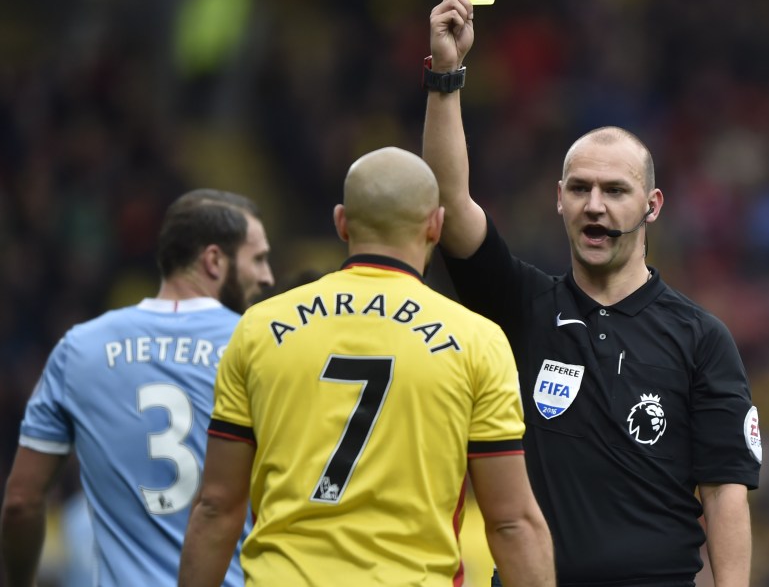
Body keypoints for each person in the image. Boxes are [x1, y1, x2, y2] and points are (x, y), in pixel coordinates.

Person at [422, 0, 762, 587]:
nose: (594, 206)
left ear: (652, 205)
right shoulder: (523, 305)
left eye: (614, 191)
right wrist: (447, 75)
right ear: (559, 200)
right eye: (579, 189)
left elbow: (725, 493)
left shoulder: (701, 338)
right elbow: (448, 203)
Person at [177, 147, 555, 587]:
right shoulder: (477, 341)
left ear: (341, 222)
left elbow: (216, 507)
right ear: (435, 224)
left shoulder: (259, 328)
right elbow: (511, 523)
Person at [1, 189, 275, 587]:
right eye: (259, 259)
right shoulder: (262, 348)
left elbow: (20, 503)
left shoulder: (78, 349)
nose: (268, 276)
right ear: (214, 261)